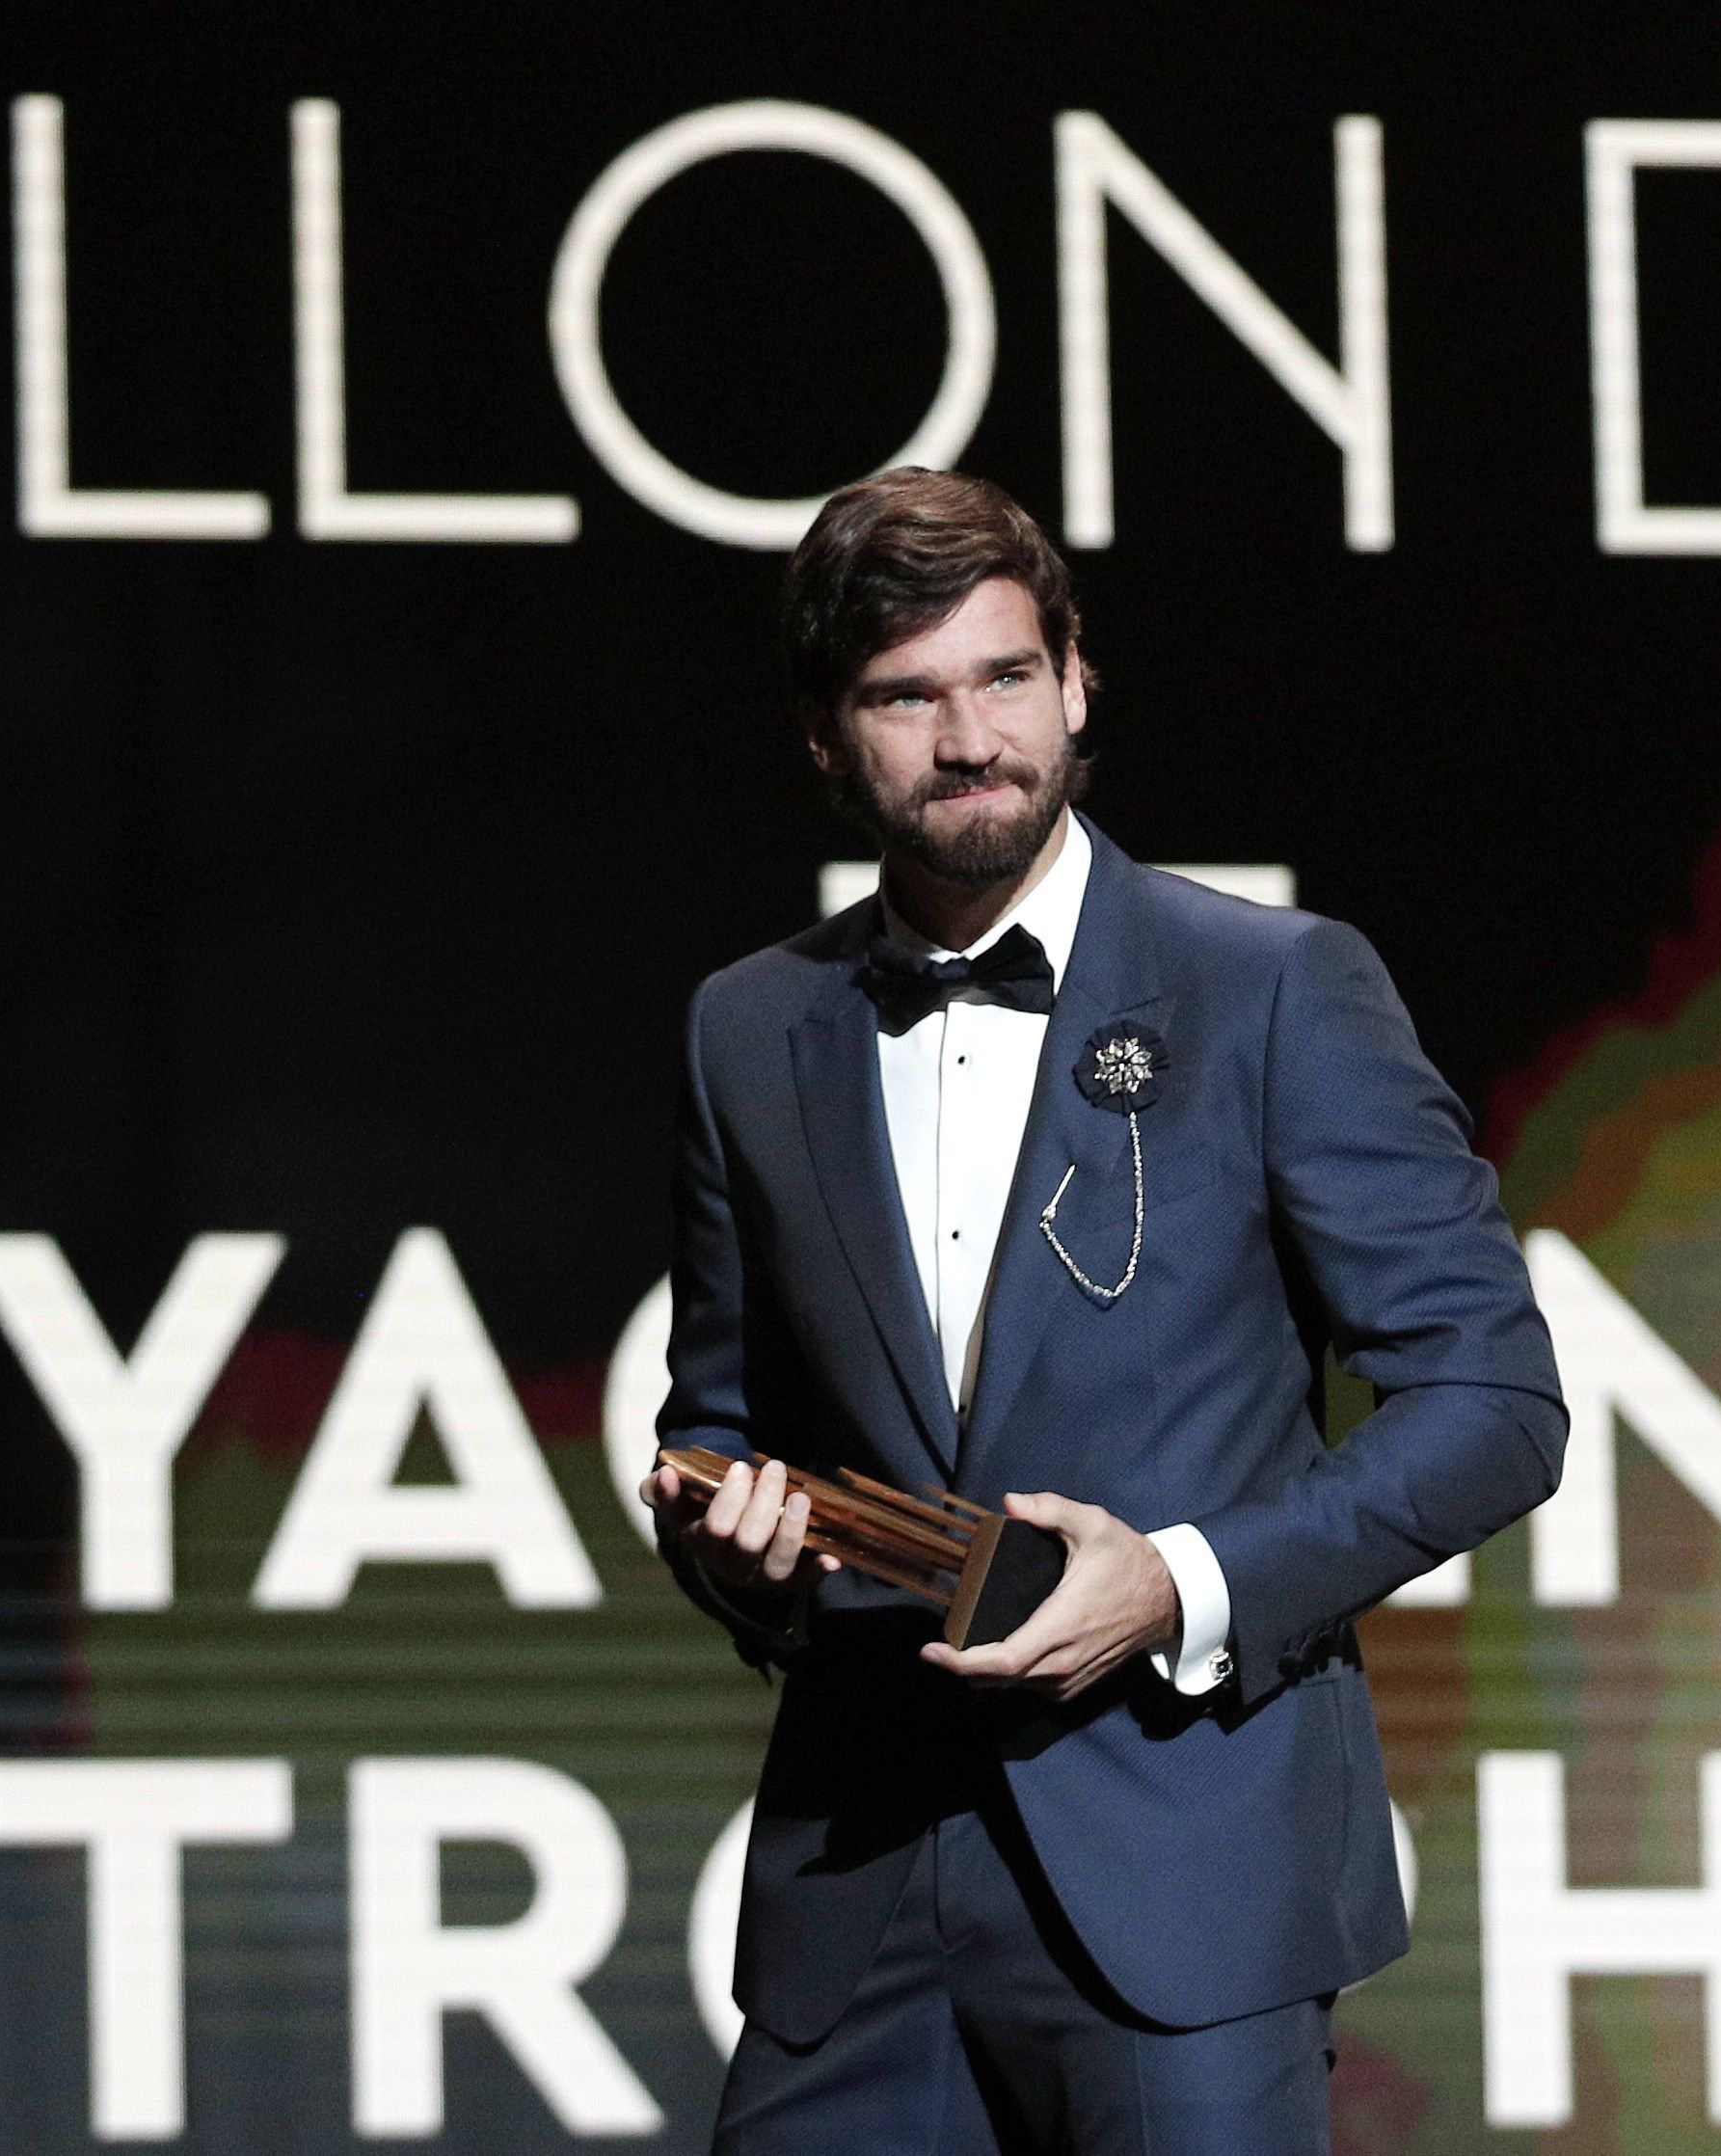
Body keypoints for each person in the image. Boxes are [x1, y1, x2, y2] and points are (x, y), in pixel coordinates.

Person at [643, 466, 1564, 2154]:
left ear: (1076, 679)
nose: (969, 735)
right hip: (860, 1885)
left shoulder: (1275, 989)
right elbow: (722, 1416)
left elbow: (1495, 1405)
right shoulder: (749, 1030)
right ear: (829, 739)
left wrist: (1179, 1586)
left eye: (1003, 677)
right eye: (906, 697)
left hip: (1184, 1872)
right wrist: (738, 1547)